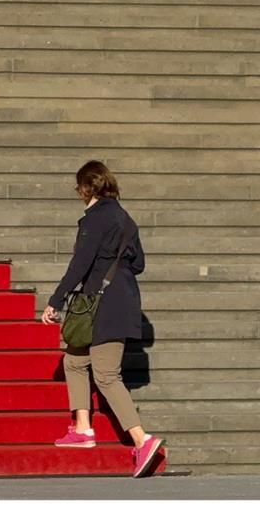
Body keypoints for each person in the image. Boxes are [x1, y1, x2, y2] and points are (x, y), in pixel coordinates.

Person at [39, 160, 165, 477]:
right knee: (74, 361)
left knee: (107, 374)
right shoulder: (125, 219)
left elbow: (80, 264)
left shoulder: (94, 220)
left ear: (85, 188)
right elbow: (139, 265)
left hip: (103, 304)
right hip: (123, 298)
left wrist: (56, 300)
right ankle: (83, 429)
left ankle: (142, 439)